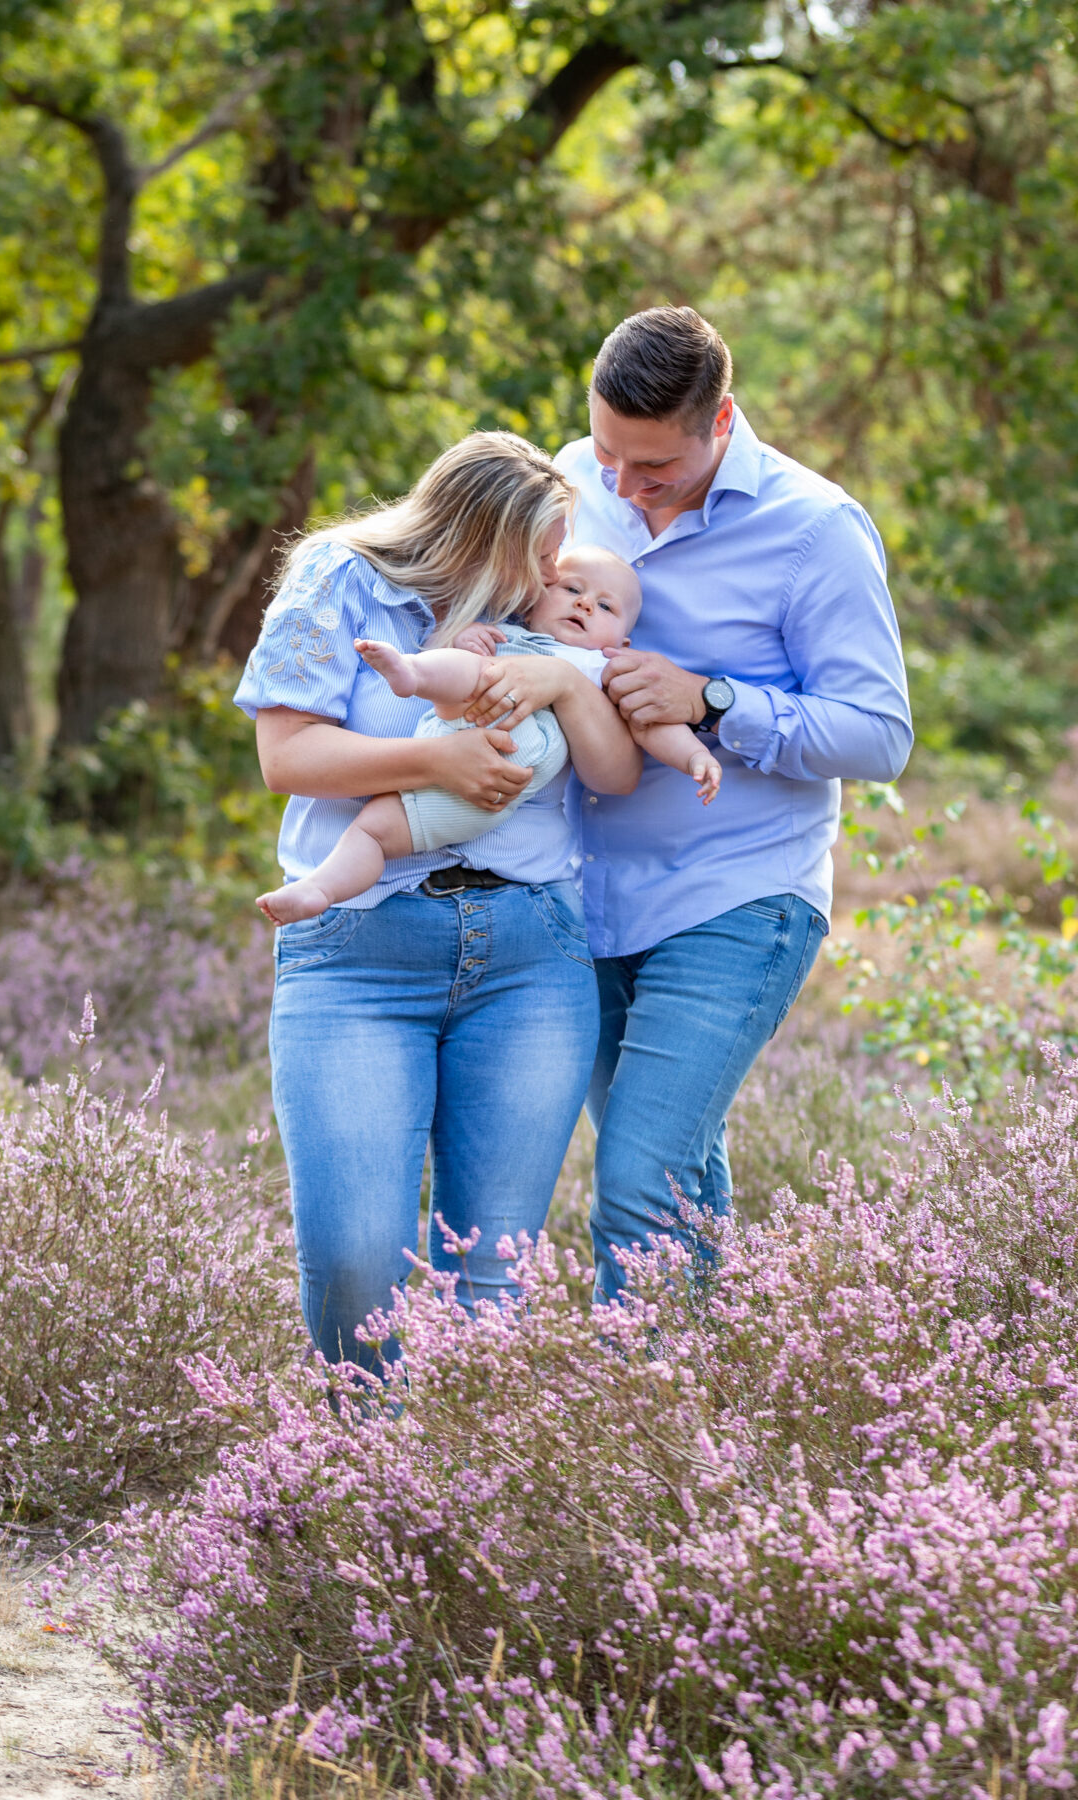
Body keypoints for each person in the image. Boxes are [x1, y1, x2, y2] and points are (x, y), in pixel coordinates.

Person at [234, 432, 640, 1374]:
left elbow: (610, 761)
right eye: (540, 551)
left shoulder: (539, 618)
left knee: (493, 1273)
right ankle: (368, 1473)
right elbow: (285, 755)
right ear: (478, 531)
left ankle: (464, 1498)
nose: (554, 572)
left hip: (530, 954)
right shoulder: (338, 578)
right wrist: (430, 759)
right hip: (363, 948)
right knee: (355, 1260)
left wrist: (576, 687)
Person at [552, 305, 913, 1301]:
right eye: (606, 452)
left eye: (651, 469)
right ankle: (706, 1419)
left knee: (635, 1182)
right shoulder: (569, 480)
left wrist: (712, 702)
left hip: (737, 895)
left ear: (721, 425)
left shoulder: (816, 529)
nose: (620, 486)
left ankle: (631, 1424)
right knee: (672, 1165)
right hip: (577, 894)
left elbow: (878, 733)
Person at [255, 543, 720, 925]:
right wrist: (466, 639)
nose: (583, 603)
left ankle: (320, 887)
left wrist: (695, 758)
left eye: (604, 606)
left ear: (622, 641)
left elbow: (652, 725)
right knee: (471, 665)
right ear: (535, 598)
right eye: (571, 588)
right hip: (449, 728)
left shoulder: (607, 669)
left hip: (480, 801)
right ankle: (409, 673)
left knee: (375, 832)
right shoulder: (503, 633)